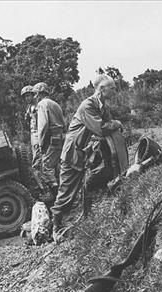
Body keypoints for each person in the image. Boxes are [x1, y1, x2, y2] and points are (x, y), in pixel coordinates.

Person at [51, 74, 123, 243]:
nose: (115, 90)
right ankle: (55, 227)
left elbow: (108, 121)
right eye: (112, 88)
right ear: (102, 89)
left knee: (86, 185)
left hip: (84, 152)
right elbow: (101, 128)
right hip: (72, 155)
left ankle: (87, 217)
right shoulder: (88, 105)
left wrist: (114, 124)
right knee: (66, 192)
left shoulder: (101, 105)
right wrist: (117, 124)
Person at [32, 82, 66, 199]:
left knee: (46, 169)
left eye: (35, 94)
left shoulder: (42, 104)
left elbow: (43, 125)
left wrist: (41, 144)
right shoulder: (55, 104)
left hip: (51, 139)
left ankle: (58, 199)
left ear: (39, 93)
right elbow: (64, 122)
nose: (35, 97)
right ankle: (65, 194)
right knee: (57, 168)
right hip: (60, 137)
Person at [22, 85, 41, 173]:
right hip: (33, 133)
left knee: (38, 154)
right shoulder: (29, 107)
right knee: (35, 152)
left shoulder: (38, 105)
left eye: (28, 95)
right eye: (25, 96)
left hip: (38, 133)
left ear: (33, 95)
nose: (27, 98)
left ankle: (38, 173)